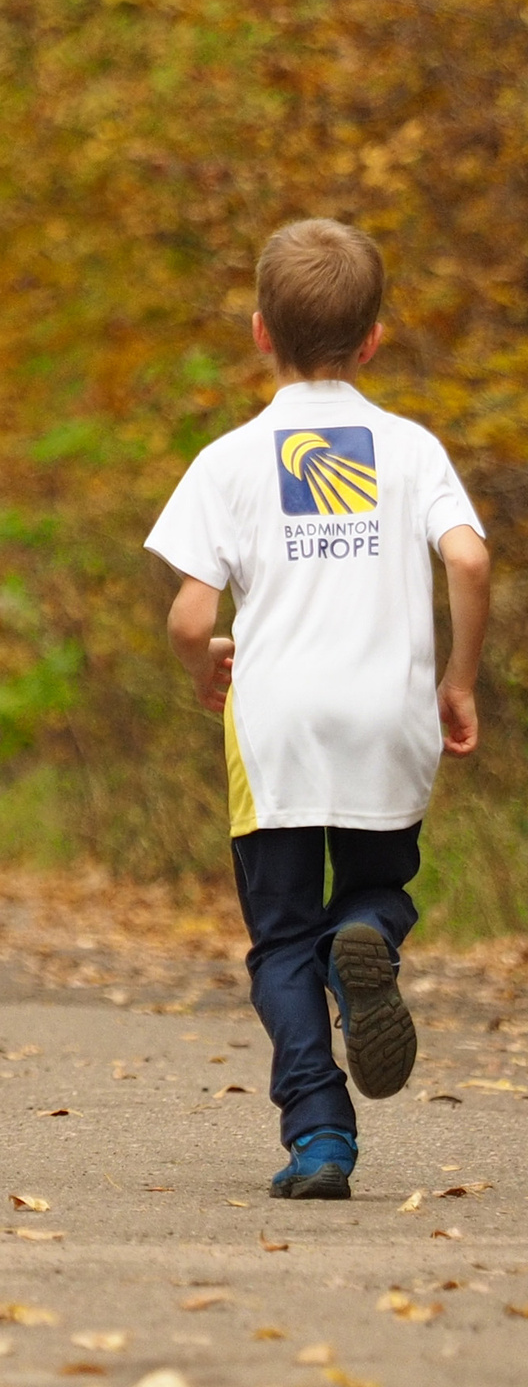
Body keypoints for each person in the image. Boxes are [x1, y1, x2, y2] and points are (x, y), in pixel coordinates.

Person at [146, 219, 488, 1202]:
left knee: (281, 937)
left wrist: (203, 658)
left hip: (278, 726)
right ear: (372, 339)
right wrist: (456, 679)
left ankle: (320, 1135)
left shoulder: (230, 459)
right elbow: (466, 558)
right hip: (389, 718)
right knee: (375, 891)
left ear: (260, 332)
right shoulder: (411, 448)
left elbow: (191, 612)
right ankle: (367, 943)